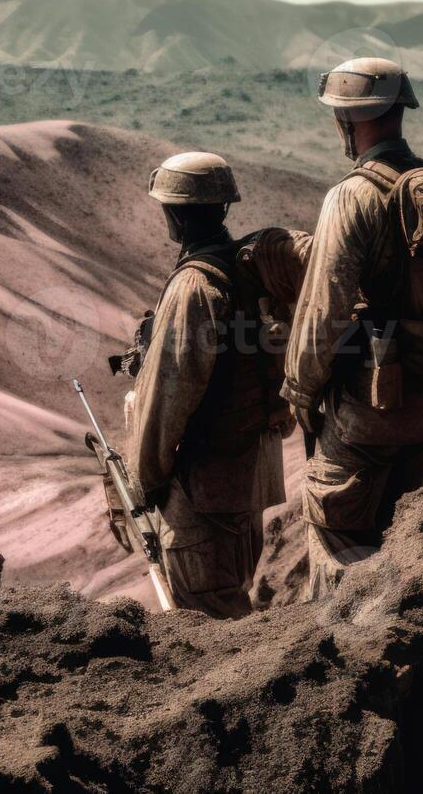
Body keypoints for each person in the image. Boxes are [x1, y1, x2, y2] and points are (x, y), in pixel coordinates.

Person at [280, 58, 423, 602]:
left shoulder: (352, 196)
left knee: (338, 549)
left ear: (347, 122)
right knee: (402, 550)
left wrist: (300, 393)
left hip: (364, 412)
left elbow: (320, 314)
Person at [125, 152, 293, 618]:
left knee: (209, 621)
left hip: (205, 491)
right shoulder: (245, 269)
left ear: (174, 215)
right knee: (233, 601)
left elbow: (166, 398)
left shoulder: (194, 286)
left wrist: (146, 483)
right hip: (249, 480)